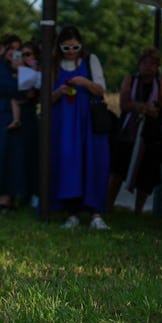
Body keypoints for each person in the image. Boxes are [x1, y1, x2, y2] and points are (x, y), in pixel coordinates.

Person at [50, 25, 111, 230]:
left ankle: (95, 214)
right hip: (64, 122)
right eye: (66, 48)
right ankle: (71, 213)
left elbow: (100, 90)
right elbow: (47, 98)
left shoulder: (90, 61)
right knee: (67, 163)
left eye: (75, 47)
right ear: (59, 48)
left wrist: (83, 82)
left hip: (87, 120)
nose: (71, 52)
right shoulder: (54, 65)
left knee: (91, 162)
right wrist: (61, 90)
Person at [106, 48, 162, 214]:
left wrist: (152, 110)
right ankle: (108, 205)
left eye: (153, 64)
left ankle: (138, 210)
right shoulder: (130, 81)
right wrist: (142, 107)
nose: (149, 68)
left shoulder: (159, 84)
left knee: (147, 173)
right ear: (139, 64)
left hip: (150, 134)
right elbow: (124, 104)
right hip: (128, 131)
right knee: (117, 170)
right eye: (145, 63)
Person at [0, 35, 40, 212]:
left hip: (27, 115)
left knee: (24, 156)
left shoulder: (22, 64)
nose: (14, 53)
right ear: (3, 48)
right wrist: (24, 92)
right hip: (6, 115)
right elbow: (4, 88)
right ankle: (5, 198)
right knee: (7, 156)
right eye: (11, 48)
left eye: (17, 49)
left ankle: (24, 194)